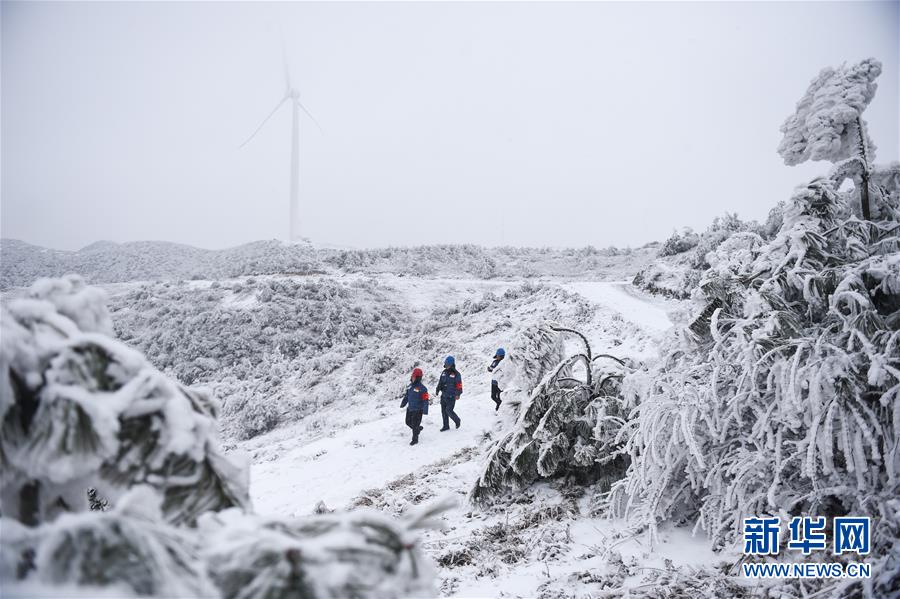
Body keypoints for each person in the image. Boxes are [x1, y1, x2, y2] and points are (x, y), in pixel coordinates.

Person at [400, 367, 429, 445]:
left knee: (415, 424)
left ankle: (415, 439)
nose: (412, 378)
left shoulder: (423, 389)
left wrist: (425, 410)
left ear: (418, 378)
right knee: (407, 422)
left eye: (414, 377)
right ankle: (417, 429)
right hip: (410, 409)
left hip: (418, 410)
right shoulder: (410, 386)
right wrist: (403, 403)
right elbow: (407, 396)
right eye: (412, 377)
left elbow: (425, 400)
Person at [435, 355, 462, 431]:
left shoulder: (457, 374)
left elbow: (459, 385)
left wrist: (458, 394)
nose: (446, 366)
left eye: (447, 364)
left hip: (451, 396)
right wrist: (437, 389)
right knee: (443, 411)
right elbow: (440, 382)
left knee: (449, 411)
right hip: (443, 395)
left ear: (451, 365)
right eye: (445, 364)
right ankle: (446, 426)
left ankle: (457, 420)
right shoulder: (444, 372)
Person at [487, 347, 509, 412]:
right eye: (498, 355)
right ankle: (500, 404)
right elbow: (491, 369)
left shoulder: (505, 363)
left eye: (499, 356)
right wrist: (489, 369)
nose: (497, 357)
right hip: (494, 383)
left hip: (501, 383)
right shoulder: (495, 362)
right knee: (493, 396)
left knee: (500, 397)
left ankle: (499, 409)